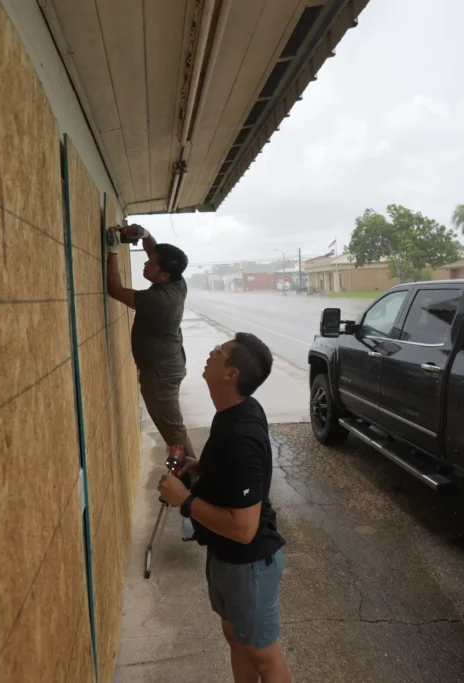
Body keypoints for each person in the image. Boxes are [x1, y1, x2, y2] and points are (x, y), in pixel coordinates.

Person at [157, 332, 291, 683]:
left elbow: (244, 529)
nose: (211, 352)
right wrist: (200, 467)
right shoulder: (231, 412)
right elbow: (232, 473)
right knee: (237, 642)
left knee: (264, 659)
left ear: (231, 373)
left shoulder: (242, 435)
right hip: (225, 557)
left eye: (219, 351)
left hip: (249, 567)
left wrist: (184, 500)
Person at [106, 224, 196, 459]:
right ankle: (189, 477)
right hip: (163, 369)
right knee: (173, 433)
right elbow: (153, 250)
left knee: (174, 434)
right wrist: (143, 234)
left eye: (152, 264)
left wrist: (113, 251)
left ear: (164, 275)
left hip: (161, 377)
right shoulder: (176, 280)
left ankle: (193, 481)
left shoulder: (159, 300)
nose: (146, 263)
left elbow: (115, 290)